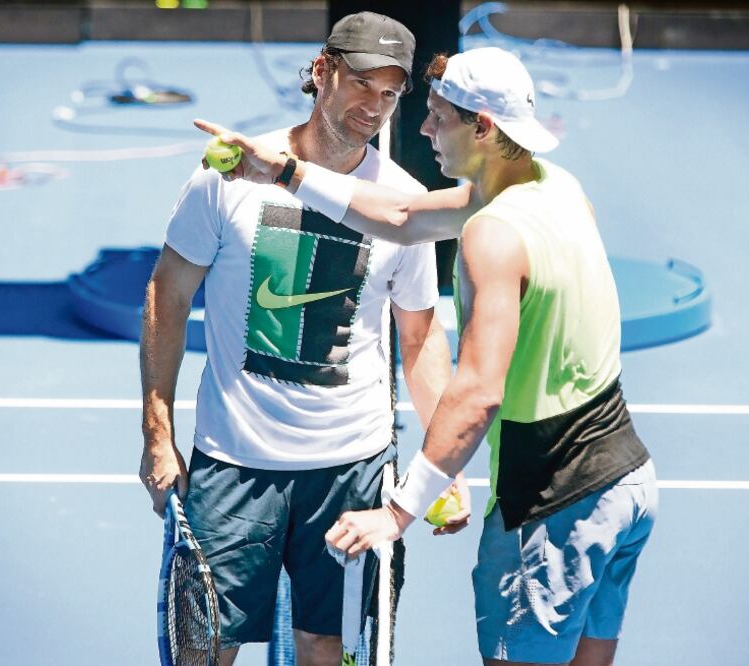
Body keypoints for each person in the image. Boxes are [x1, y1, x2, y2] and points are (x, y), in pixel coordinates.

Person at [195, 46, 658, 666]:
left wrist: (398, 507)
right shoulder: (554, 189)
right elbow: (401, 216)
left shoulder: (491, 235)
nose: (421, 127)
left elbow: (478, 390)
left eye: (438, 116)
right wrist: (283, 172)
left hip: (553, 498)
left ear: (483, 128)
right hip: (626, 479)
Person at [139, 13, 464, 666]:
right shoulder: (224, 179)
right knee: (204, 650)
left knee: (329, 650)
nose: (373, 106)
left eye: (390, 93)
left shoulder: (404, 204)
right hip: (234, 464)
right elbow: (166, 297)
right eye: (361, 83)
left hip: (350, 470)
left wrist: (440, 464)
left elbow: (421, 341)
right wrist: (156, 434)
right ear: (322, 71)